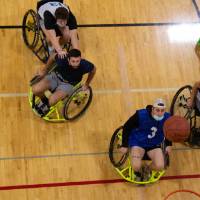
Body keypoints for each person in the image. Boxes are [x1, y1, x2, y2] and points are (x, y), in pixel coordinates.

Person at [32, 49, 96, 116]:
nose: (76, 64)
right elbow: (52, 57)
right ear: (68, 59)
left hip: (68, 84)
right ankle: (44, 100)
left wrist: (87, 84)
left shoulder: (84, 64)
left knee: (52, 101)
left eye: (78, 61)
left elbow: (93, 70)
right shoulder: (63, 58)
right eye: (73, 61)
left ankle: (47, 105)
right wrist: (44, 70)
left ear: (80, 59)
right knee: (35, 90)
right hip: (55, 76)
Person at [119, 98, 172, 181]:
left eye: (162, 111)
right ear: (152, 109)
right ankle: (137, 172)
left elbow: (169, 130)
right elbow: (127, 126)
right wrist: (124, 145)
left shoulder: (167, 117)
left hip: (154, 145)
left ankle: (147, 169)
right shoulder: (140, 115)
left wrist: (169, 144)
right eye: (157, 110)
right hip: (138, 143)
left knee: (160, 166)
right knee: (136, 166)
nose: (160, 113)